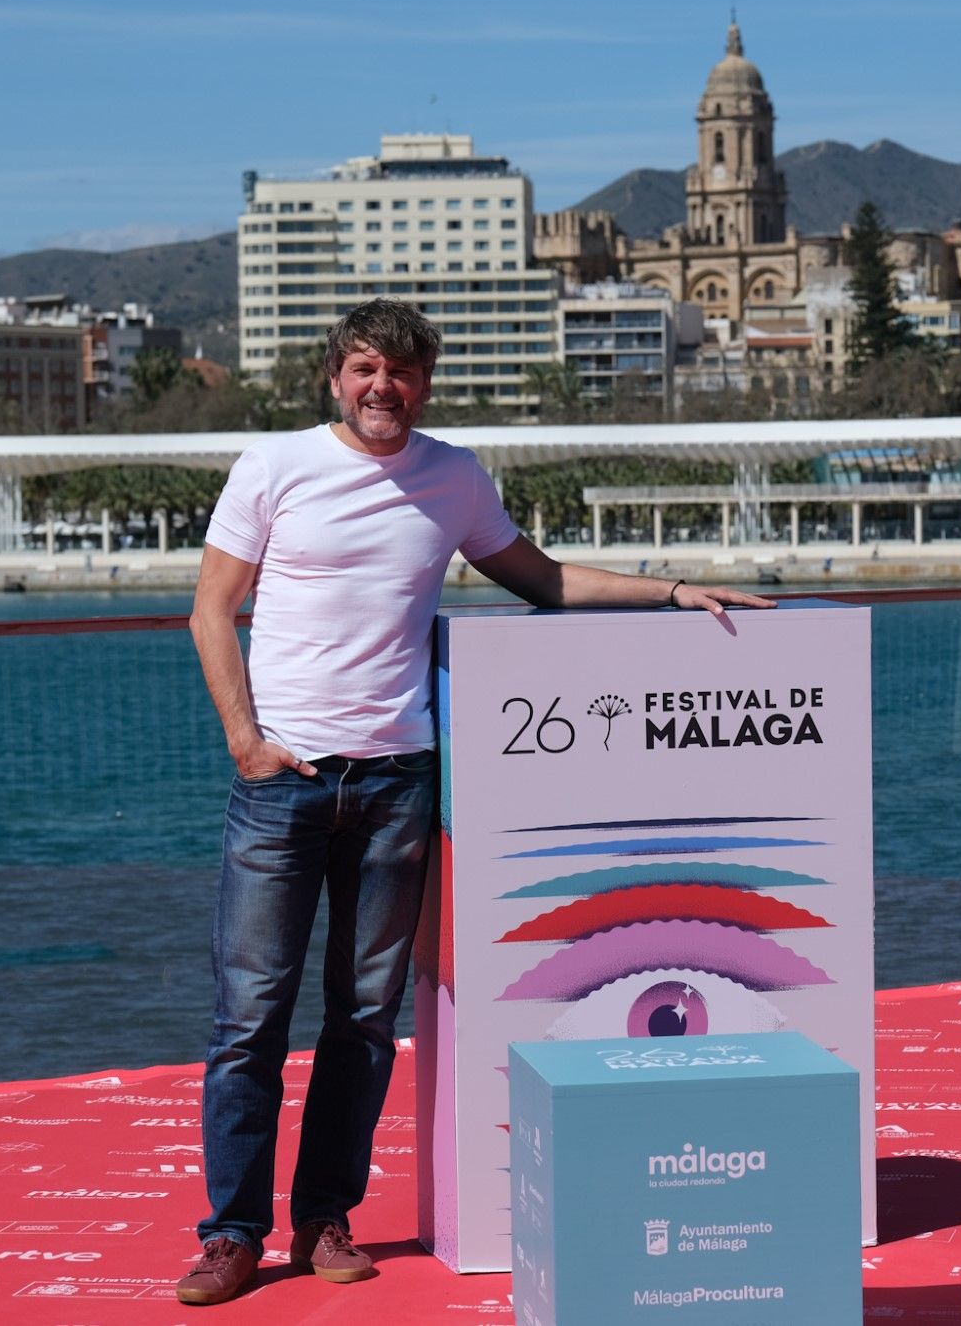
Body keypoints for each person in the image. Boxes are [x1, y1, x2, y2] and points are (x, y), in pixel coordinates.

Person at [177, 299, 771, 1306]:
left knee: (364, 1020)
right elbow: (210, 608)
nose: (384, 388)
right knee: (249, 1021)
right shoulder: (271, 467)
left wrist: (671, 591)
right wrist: (245, 740)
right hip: (284, 787)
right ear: (335, 376)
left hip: (398, 779)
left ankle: (324, 1217)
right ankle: (232, 1233)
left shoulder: (451, 476)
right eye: (366, 368)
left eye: (403, 372)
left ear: (426, 383)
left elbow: (538, 579)